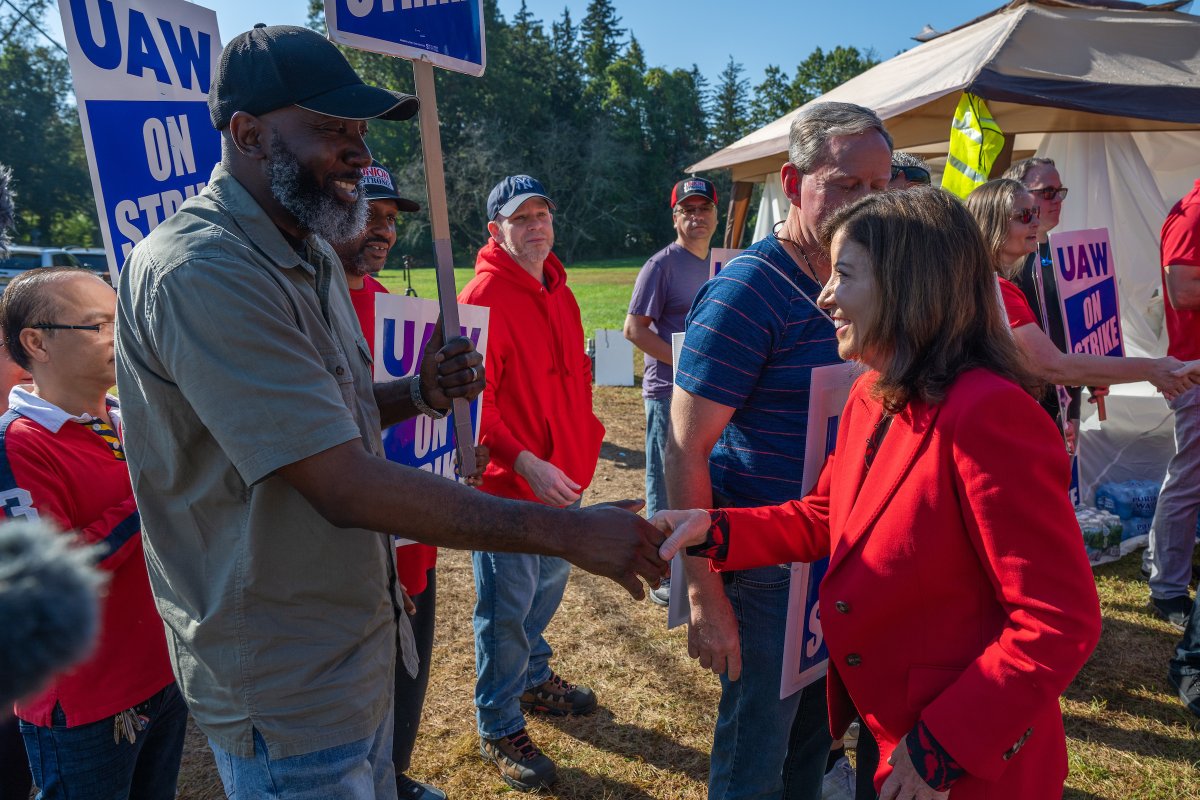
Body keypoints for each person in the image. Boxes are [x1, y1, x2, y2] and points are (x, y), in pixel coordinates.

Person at [115, 26, 665, 800]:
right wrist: (567, 532)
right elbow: (337, 480)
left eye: (361, 133)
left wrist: (417, 393)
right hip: (284, 672)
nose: (360, 155)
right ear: (246, 133)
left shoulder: (306, 252)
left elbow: (320, 419)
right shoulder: (202, 270)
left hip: (351, 639)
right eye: (332, 129)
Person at [653, 186, 1103, 799]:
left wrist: (943, 749)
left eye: (843, 274)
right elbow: (828, 514)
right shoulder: (873, 392)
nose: (824, 296)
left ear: (905, 284)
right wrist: (718, 531)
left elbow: (1058, 621)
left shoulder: (991, 416)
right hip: (891, 728)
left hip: (963, 759)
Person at [667, 101, 892, 800]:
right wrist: (705, 597)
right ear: (792, 186)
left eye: (880, 188)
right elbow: (682, 445)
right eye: (847, 185)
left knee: (812, 749)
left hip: (832, 558)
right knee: (754, 758)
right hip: (763, 569)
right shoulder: (748, 288)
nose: (868, 204)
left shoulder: (863, 281)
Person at [1, 267, 188, 798]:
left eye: (120, 320)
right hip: (85, 705)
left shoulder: (123, 416)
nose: (119, 336)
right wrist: (148, 496)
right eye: (98, 325)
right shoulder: (17, 445)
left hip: (159, 674)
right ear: (36, 342)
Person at [458, 175, 605, 792]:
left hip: (564, 475)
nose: (536, 225)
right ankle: (497, 719)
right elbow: (472, 404)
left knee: (546, 589)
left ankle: (532, 675)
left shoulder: (560, 289)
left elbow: (570, 376)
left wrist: (584, 438)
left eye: (543, 213)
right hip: (512, 486)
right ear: (496, 231)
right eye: (521, 219)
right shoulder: (482, 295)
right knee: (506, 608)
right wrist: (522, 462)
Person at [331, 161, 460, 800]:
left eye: (389, 220)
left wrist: (465, 436)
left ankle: (394, 778)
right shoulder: (306, 302)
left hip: (415, 539)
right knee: (354, 697)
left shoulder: (397, 309)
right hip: (349, 543)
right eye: (368, 214)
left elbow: (425, 418)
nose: (382, 232)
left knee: (408, 683)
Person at [964, 179, 1185, 422]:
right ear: (992, 223)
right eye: (1025, 215)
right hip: (997, 420)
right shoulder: (995, 290)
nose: (1036, 222)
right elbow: (1054, 366)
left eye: (1035, 212)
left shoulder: (982, 283)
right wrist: (1152, 369)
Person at [623, 176, 718, 606]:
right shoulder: (660, 266)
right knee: (663, 480)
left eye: (704, 209)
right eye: (688, 210)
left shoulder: (720, 264)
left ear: (716, 214)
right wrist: (682, 361)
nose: (697, 218)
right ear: (675, 216)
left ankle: (688, 560)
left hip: (710, 392)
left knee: (695, 475)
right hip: (666, 391)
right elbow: (633, 330)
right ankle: (659, 572)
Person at [1144, 177, 1200, 639]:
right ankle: (1166, 586)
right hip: (1194, 370)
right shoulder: (1193, 214)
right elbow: (1182, 289)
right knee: (1188, 480)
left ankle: (1168, 569)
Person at [1002, 157, 1089, 450]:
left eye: (1059, 192)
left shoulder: (1059, 253)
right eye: (1046, 192)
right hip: (1022, 398)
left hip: (1063, 396)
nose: (1056, 200)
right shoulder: (1004, 265)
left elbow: (1070, 330)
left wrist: (1077, 401)